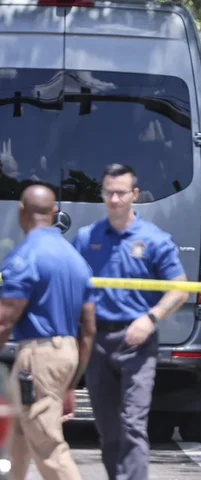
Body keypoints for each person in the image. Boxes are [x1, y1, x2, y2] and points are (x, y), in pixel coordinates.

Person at [72, 164, 189, 479]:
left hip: (137, 343)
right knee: (108, 430)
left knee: (132, 425)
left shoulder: (154, 239)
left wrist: (150, 319)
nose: (114, 199)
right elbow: (71, 285)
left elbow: (179, 288)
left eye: (121, 192)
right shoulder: (87, 238)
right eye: (109, 192)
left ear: (134, 194)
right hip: (97, 342)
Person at [0, 184, 96, 480]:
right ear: (54, 212)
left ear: (21, 211)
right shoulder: (75, 259)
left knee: (47, 444)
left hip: (38, 356)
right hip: (65, 352)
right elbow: (90, 328)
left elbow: (5, 319)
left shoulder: (26, 255)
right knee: (17, 437)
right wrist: (72, 381)